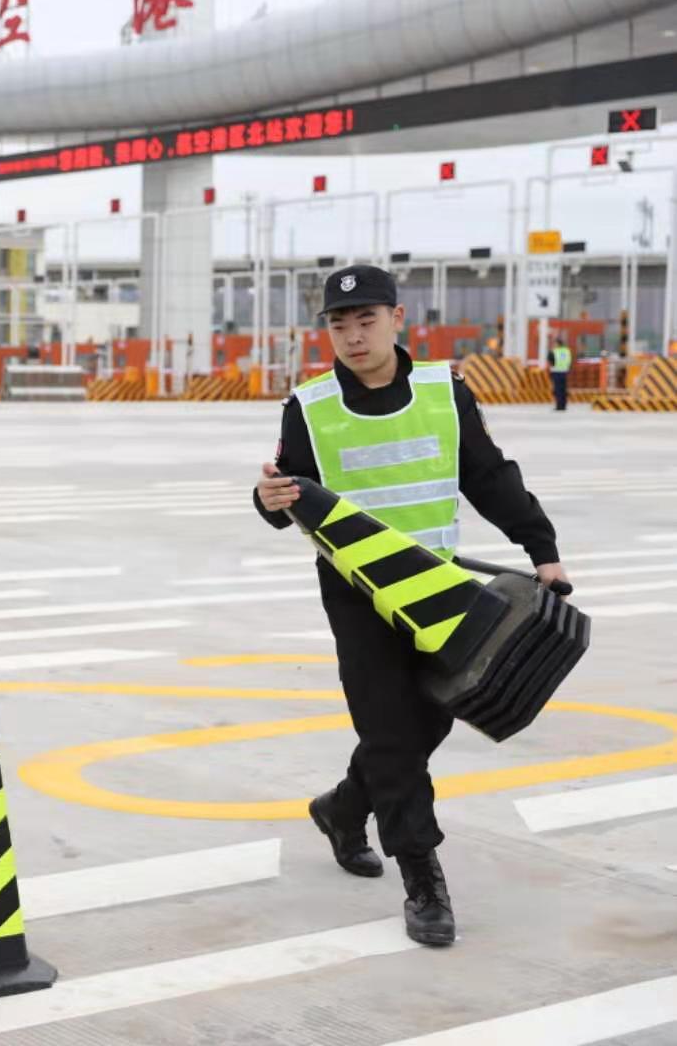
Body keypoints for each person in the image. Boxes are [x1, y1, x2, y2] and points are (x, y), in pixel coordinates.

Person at [253, 265, 568, 948]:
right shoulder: (307, 405)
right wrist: (267, 500)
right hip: (357, 593)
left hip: (440, 587)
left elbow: (486, 474)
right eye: (339, 325)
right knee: (394, 736)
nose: (353, 336)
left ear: (398, 320)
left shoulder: (441, 390)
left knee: (427, 726)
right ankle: (422, 876)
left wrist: (541, 546)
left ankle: (342, 808)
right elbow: (284, 496)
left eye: (366, 321)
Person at [547, 331, 572, 411]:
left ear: (557, 344)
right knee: (563, 389)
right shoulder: (567, 351)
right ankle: (564, 405)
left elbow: (550, 360)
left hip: (556, 372)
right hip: (564, 372)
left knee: (557, 390)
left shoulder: (554, 351)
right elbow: (569, 361)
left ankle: (559, 406)